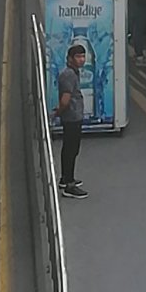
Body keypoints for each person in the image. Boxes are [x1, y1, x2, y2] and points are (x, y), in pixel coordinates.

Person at [53, 45, 88, 199]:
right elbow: (66, 99)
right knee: (71, 150)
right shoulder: (69, 75)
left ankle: (66, 178)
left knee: (69, 148)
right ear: (69, 58)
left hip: (73, 116)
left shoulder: (72, 73)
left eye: (83, 56)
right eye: (78, 57)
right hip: (72, 117)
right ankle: (69, 185)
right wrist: (58, 112)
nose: (81, 59)